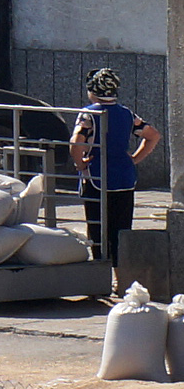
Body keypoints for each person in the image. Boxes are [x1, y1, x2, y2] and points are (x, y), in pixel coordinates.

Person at [71, 67, 161, 263]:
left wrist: (80, 163)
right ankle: (121, 278)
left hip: (97, 177)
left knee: (98, 229)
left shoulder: (89, 114)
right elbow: (153, 135)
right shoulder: (127, 113)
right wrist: (135, 159)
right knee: (121, 231)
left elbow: (76, 143)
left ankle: (101, 273)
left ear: (92, 90)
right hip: (125, 177)